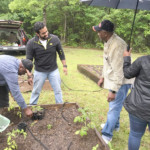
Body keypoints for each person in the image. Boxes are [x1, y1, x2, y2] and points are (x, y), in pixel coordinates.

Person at [92, 20, 133, 144]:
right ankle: (115, 126)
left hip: (121, 82)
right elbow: (108, 63)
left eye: (99, 32)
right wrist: (102, 77)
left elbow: (119, 72)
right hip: (116, 79)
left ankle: (107, 135)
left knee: (114, 107)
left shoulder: (117, 45)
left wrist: (113, 91)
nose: (98, 34)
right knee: (116, 105)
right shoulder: (108, 41)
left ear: (105, 33)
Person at [26, 21, 67, 105]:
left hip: (53, 70)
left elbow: (61, 53)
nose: (46, 34)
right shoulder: (31, 43)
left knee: (58, 90)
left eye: (46, 31)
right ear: (37, 34)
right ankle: (32, 106)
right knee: (36, 91)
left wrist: (64, 66)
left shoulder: (55, 39)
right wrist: (29, 75)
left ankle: (59, 107)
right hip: (39, 71)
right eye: (43, 33)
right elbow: (28, 61)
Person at [123, 49, 150, 150]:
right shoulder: (142, 61)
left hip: (138, 106)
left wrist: (126, 58)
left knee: (135, 134)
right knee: (135, 134)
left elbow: (127, 73)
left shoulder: (142, 60)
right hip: (138, 106)